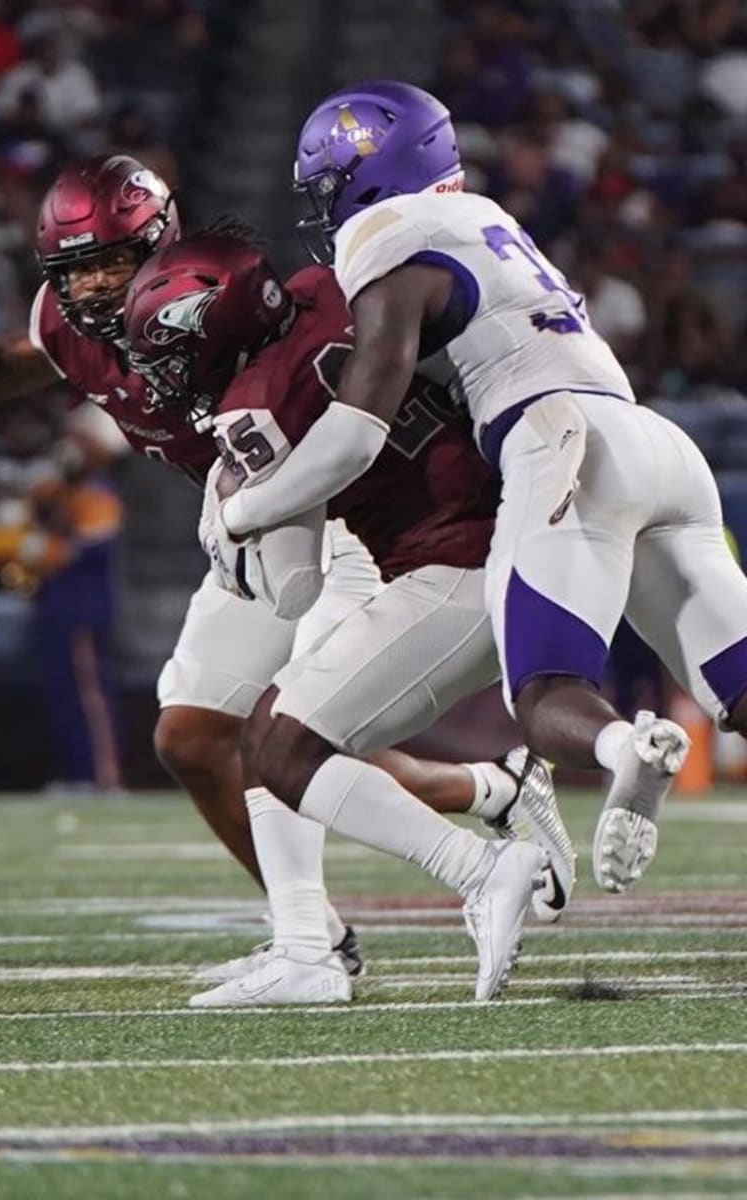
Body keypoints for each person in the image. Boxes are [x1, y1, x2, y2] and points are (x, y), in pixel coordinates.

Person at [0, 154, 560, 990]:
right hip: (248, 523)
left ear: (159, 241)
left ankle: (308, 949)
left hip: (336, 518)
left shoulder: (215, 301)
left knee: (287, 725)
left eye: (111, 264)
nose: (89, 290)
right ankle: (475, 800)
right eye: (72, 270)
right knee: (192, 738)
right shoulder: (67, 321)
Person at [228, 78, 747, 896]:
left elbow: (357, 434)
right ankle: (630, 748)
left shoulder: (384, 232)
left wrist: (246, 507)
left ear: (364, 174)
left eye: (328, 188)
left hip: (562, 448)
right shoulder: (487, 219)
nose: (327, 210)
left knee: (546, 692)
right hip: (656, 443)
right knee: (740, 683)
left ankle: (623, 751)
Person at [123, 231, 564, 1005]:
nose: (162, 377)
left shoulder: (254, 403)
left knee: (278, 736)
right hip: (530, 516)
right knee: (280, 728)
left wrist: (240, 511)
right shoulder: (327, 288)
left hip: (459, 566)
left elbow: (291, 588)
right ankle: (316, 939)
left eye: (169, 353)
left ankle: (459, 877)